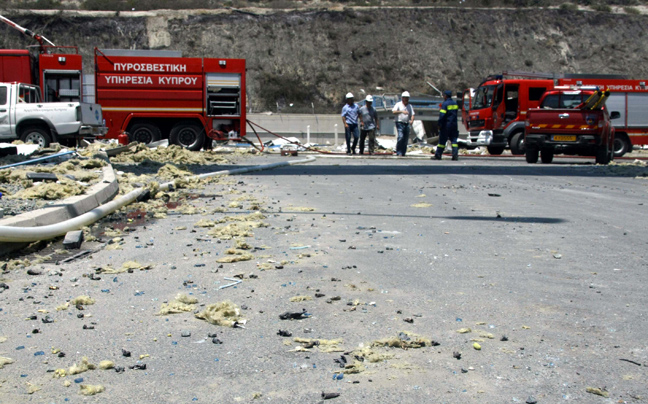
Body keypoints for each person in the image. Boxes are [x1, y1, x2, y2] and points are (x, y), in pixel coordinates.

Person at [433, 90, 459, 161]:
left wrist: (439, 124)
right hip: (454, 125)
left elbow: (442, 115)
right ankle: (455, 155)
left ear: (445, 96)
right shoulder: (455, 103)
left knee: (442, 141)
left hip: (446, 125)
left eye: (443, 95)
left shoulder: (445, 104)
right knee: (454, 141)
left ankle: (438, 155)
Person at [392, 91, 414, 156]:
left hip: (407, 123)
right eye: (405, 98)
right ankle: (398, 151)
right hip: (399, 123)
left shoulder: (410, 106)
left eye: (407, 98)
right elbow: (394, 112)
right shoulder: (398, 104)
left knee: (405, 139)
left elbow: (412, 114)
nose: (406, 99)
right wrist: (401, 111)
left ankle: (403, 152)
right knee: (400, 137)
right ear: (402, 98)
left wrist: (412, 120)